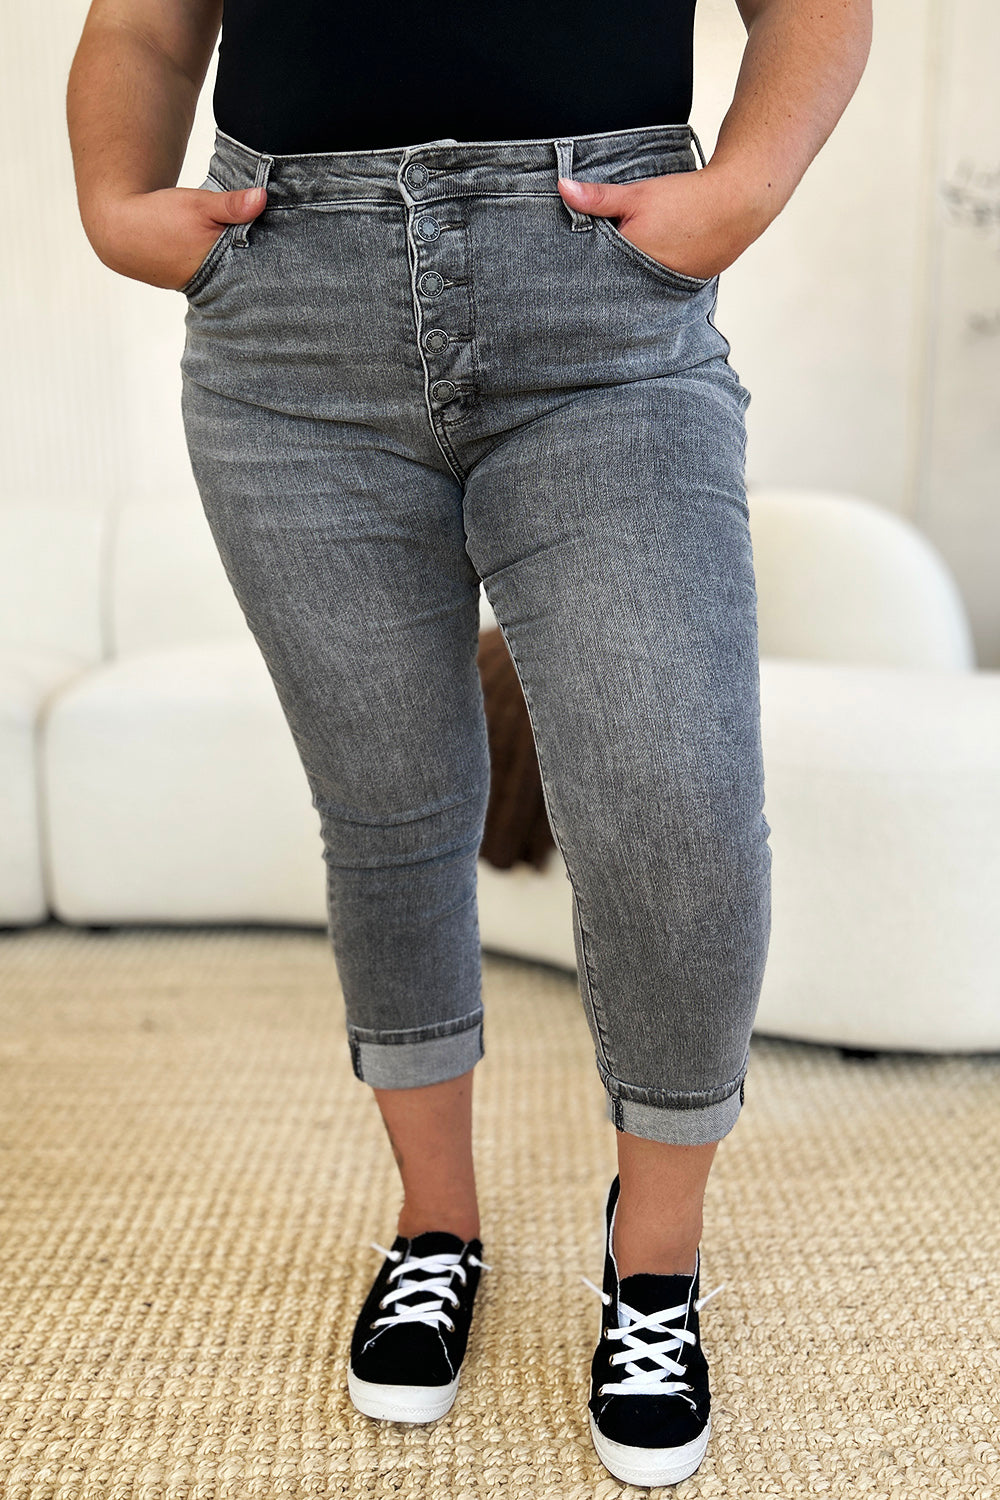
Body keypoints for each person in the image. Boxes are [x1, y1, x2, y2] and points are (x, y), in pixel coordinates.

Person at [67, 0, 871, 1484]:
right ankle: (436, 1232)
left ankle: (654, 1268)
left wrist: (741, 191)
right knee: (390, 805)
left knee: (675, 802)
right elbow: (145, 25)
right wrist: (118, 208)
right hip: (289, 323)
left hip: (597, 300)